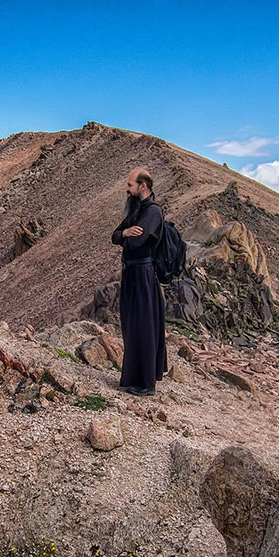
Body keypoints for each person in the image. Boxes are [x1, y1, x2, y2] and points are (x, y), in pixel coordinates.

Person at [111, 168, 167, 396]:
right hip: (132, 274)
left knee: (144, 327)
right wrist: (125, 234)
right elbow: (115, 235)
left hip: (143, 275)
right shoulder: (137, 211)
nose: (127, 189)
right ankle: (132, 379)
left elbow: (138, 243)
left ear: (143, 186)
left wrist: (127, 237)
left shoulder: (153, 212)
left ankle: (146, 383)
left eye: (130, 185)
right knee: (132, 326)